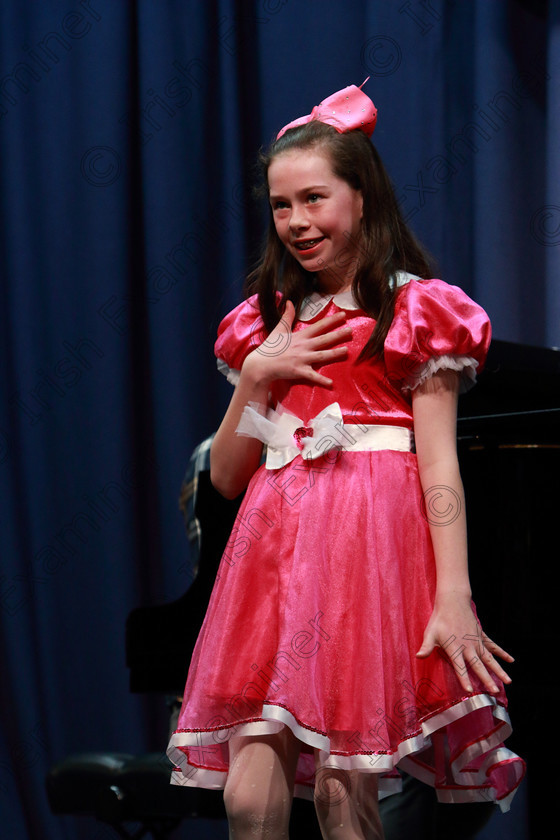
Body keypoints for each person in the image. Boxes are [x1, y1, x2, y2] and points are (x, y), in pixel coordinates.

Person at [167, 83, 525, 839]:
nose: (296, 222)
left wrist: (452, 593)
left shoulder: (415, 311)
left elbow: (439, 468)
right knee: (247, 796)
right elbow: (228, 476)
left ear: (363, 198)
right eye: (280, 205)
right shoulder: (267, 322)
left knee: (343, 793)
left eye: (315, 199)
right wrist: (261, 376)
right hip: (272, 557)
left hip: (366, 555)